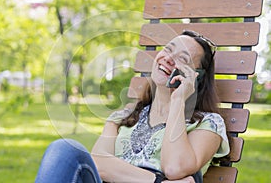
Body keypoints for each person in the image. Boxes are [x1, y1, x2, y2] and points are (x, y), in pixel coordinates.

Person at [35, 30, 230, 183]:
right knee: (63, 149)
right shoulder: (124, 117)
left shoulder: (209, 123)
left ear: (197, 76)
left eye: (183, 58)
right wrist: (156, 180)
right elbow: (99, 164)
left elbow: (175, 168)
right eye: (168, 49)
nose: (169, 58)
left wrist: (178, 101)